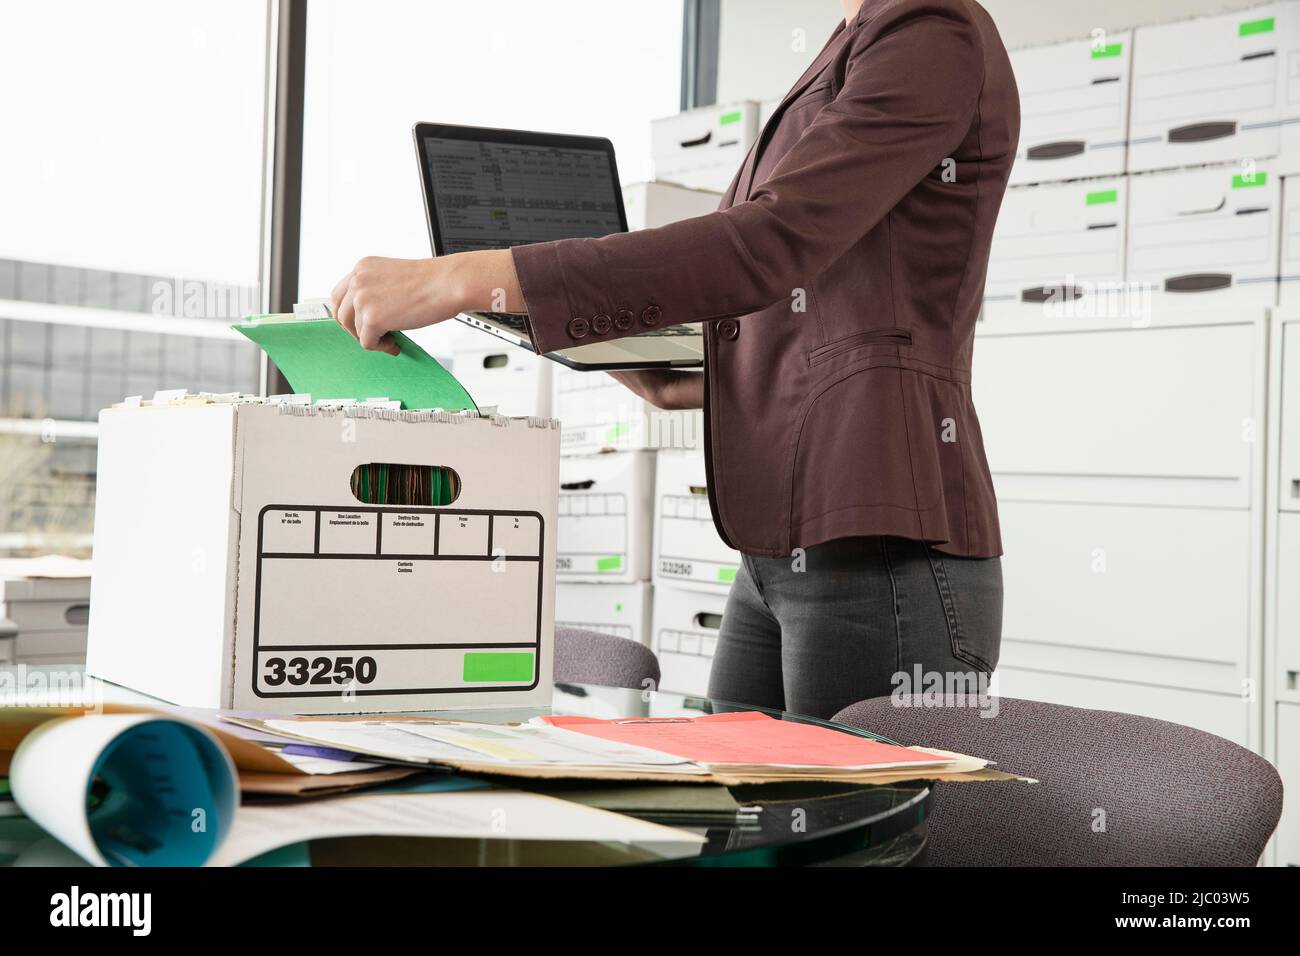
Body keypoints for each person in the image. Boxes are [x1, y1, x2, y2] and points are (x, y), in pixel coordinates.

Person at [329, 0, 1019, 720]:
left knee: (852, 831)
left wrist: (462, 276)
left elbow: (764, 246)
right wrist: (679, 373)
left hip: (881, 540)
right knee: (732, 816)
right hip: (781, 544)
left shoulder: (933, 33)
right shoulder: (853, 43)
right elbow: (818, 308)